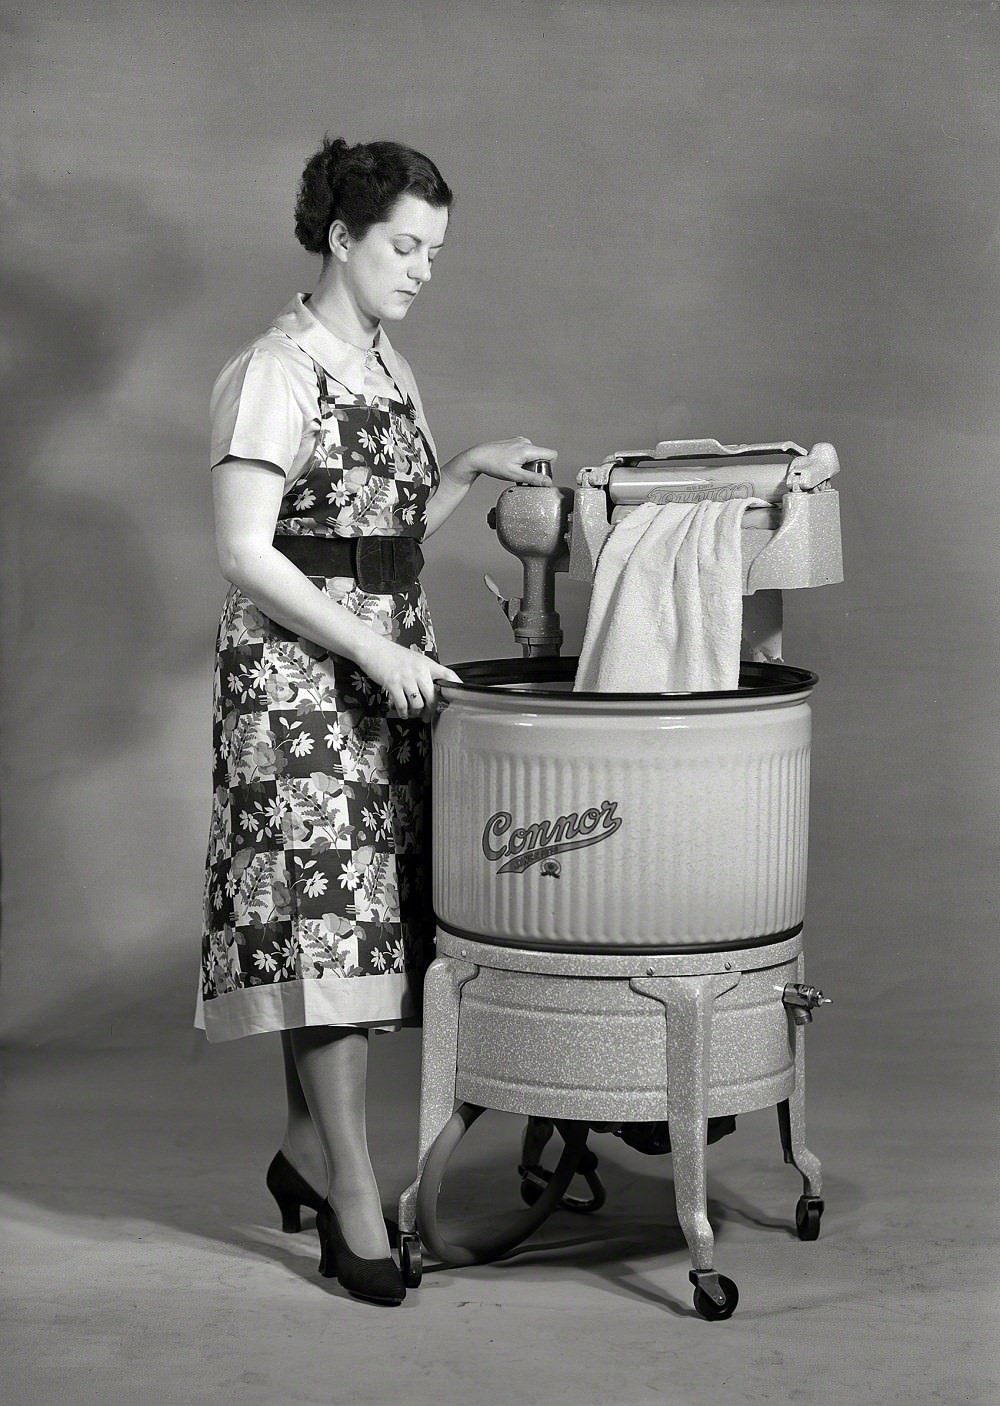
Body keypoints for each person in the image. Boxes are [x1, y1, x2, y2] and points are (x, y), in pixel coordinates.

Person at [195, 136, 555, 1305]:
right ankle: (352, 1191)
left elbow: (374, 530)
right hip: (299, 678)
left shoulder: (387, 363)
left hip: (382, 660)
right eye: (405, 246)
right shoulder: (273, 371)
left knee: (361, 921)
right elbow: (250, 550)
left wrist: (463, 475)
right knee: (329, 931)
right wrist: (369, 646)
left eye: (435, 251)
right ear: (340, 238)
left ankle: (307, 1151)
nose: (422, 269)